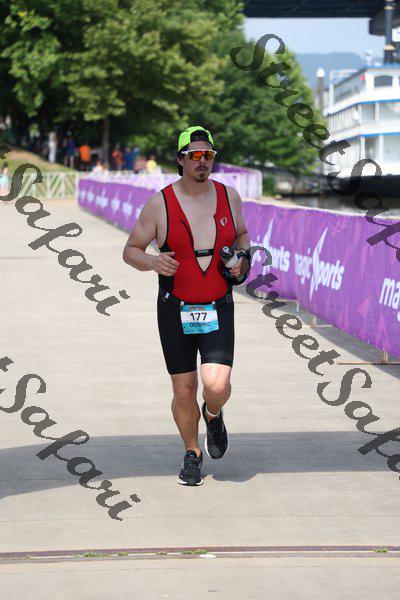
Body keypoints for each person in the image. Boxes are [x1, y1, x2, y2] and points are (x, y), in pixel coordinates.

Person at [122, 126, 251, 486]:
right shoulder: (160, 203)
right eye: (195, 156)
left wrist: (242, 258)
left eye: (208, 155)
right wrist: (153, 262)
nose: (202, 161)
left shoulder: (229, 196)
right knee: (183, 389)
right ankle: (192, 453)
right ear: (180, 160)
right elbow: (130, 250)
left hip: (218, 305)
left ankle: (214, 413)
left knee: (217, 384)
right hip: (174, 308)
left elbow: (242, 235)